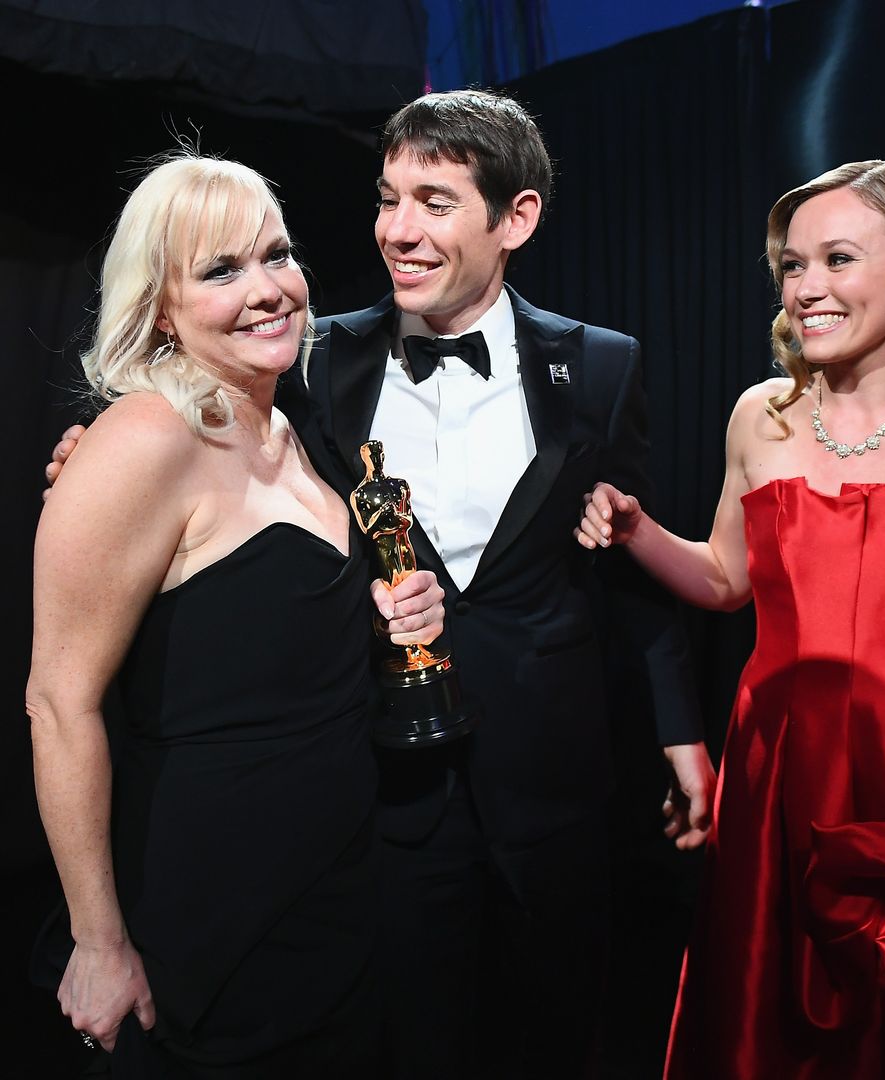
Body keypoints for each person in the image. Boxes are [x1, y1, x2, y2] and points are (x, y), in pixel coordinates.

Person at [46, 90, 714, 1079]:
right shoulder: (315, 358)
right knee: (412, 1039)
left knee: (562, 1032)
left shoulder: (602, 367)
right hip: (382, 790)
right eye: (386, 197)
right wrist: (92, 459)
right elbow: (197, 459)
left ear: (515, 219)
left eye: (435, 202)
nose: (399, 230)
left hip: (551, 770)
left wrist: (679, 727)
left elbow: (625, 543)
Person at [578, 160, 885, 1078]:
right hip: (776, 771)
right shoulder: (761, 415)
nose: (807, 288)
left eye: (837, 259)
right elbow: (726, 579)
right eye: (791, 266)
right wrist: (637, 529)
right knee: (772, 1032)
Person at [25, 153, 444, 1078]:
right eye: (221, 270)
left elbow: (253, 634)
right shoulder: (142, 439)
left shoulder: (292, 425)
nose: (269, 290)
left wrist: (384, 616)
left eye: (277, 255)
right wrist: (99, 943)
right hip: (211, 921)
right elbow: (58, 702)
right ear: (160, 308)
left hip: (331, 897)